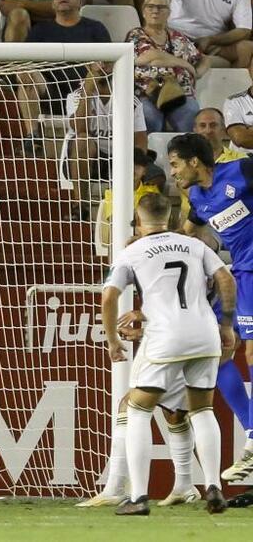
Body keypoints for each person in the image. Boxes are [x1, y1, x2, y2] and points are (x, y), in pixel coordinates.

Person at [102, 192, 234, 515]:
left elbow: (108, 297)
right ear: (173, 218)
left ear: (138, 218)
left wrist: (112, 341)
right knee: (202, 410)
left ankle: (138, 498)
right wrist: (227, 325)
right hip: (204, 334)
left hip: (165, 339)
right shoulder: (195, 245)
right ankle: (213, 487)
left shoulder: (133, 251)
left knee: (137, 410)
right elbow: (226, 279)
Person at [171, 132, 253, 485]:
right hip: (242, 273)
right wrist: (147, 243)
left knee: (250, 350)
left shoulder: (241, 171)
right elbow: (187, 233)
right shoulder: (199, 198)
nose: (172, 172)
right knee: (217, 352)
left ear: (194, 162)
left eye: (175, 164)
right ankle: (252, 429)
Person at [19, 0, 110, 151]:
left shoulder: (95, 29)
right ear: (53, 2)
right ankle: (32, 136)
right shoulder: (40, 31)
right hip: (50, 93)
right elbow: (26, 62)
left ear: (80, 1)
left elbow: (107, 66)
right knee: (26, 73)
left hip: (85, 94)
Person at [65, 62, 149, 219]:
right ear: (90, 68)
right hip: (88, 159)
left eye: (108, 63)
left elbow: (140, 140)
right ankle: (80, 205)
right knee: (83, 140)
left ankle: (135, 210)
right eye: (99, 63)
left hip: (120, 158)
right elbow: (79, 128)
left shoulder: (130, 100)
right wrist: (87, 93)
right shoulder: (76, 95)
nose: (103, 67)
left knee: (156, 175)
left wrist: (136, 166)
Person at [128, 0, 216, 134]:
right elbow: (148, 57)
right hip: (147, 93)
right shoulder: (136, 34)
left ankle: (187, 154)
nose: (155, 11)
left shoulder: (178, 37)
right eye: (150, 7)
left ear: (168, 13)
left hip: (179, 93)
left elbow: (204, 58)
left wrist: (198, 73)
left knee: (191, 113)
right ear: (143, 12)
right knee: (149, 118)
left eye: (161, 7)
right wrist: (186, 65)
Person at [223, 80, 253, 154]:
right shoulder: (234, 101)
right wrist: (245, 134)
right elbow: (240, 138)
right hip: (243, 160)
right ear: (250, 71)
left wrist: (249, 130)